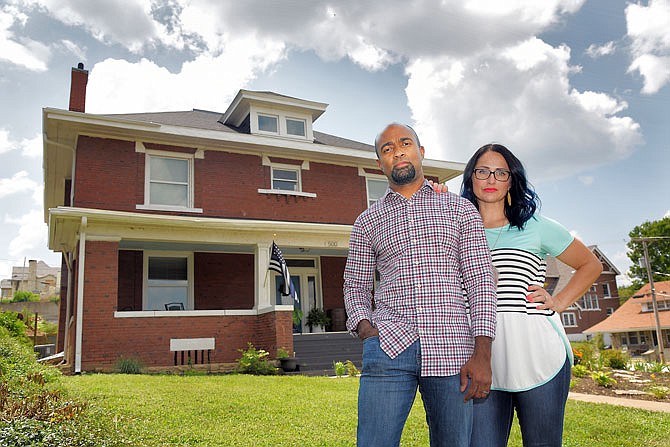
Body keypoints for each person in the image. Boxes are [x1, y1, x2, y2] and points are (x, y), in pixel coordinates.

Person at [343, 123, 497, 447]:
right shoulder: (366, 221)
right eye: (386, 149)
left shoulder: (459, 209)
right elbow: (355, 284)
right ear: (379, 164)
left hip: (454, 349)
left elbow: (481, 281)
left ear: (420, 152)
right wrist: (366, 328)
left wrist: (482, 353)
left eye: (405, 143)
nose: (397, 151)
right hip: (388, 346)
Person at [456, 143, 603, 446]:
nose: (491, 179)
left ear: (512, 180)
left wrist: (559, 302)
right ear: (471, 178)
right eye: (483, 171)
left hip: (539, 355)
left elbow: (590, 265)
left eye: (501, 172)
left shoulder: (535, 226)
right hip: (483, 359)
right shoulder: (457, 229)